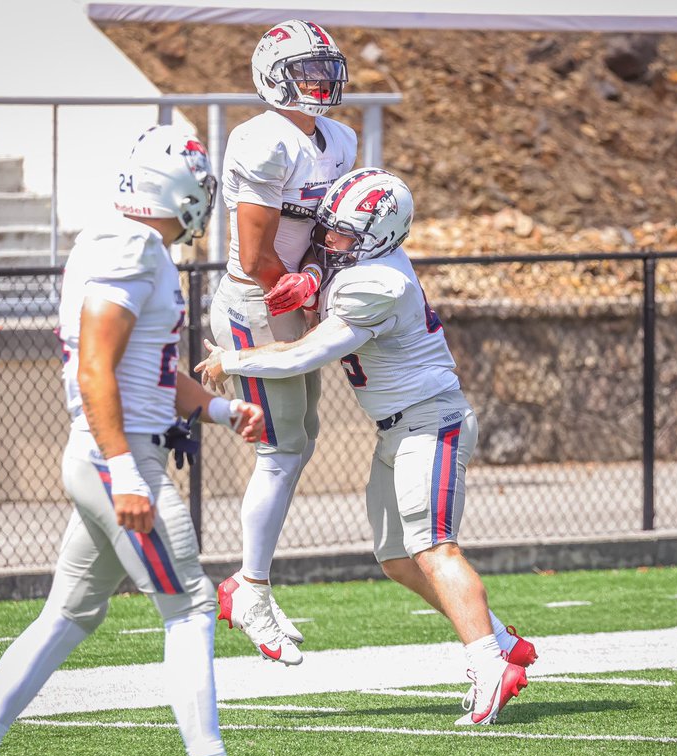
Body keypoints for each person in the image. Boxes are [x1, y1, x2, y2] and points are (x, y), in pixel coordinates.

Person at [0, 126, 272, 756]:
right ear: (176, 190)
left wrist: (220, 410)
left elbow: (149, 369)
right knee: (191, 606)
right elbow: (95, 369)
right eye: (200, 185)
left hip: (112, 452)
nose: (206, 197)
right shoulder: (131, 246)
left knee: (71, 613)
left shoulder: (124, 242)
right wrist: (123, 471)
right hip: (117, 456)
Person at [198, 168, 536, 725]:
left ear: (380, 237)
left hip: (431, 422)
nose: (330, 241)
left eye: (344, 235)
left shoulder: (379, 283)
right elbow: (325, 265)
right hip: (397, 429)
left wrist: (231, 360)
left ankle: (488, 662)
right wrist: (312, 276)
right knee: (398, 560)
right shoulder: (359, 261)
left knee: (435, 548)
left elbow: (305, 354)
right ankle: (500, 639)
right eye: (328, 229)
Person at [209, 19, 357, 666]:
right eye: (307, 71)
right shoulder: (262, 141)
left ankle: (251, 578)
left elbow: (325, 231)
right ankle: (252, 589)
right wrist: (292, 286)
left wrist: (317, 274)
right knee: (280, 449)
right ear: (273, 75)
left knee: (303, 439)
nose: (320, 82)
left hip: (296, 297)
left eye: (326, 70)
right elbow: (255, 253)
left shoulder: (339, 139)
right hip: (257, 301)